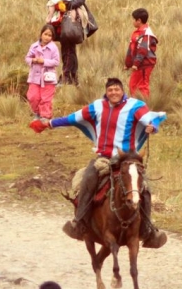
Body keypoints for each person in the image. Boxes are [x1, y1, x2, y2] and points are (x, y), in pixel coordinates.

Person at [29, 77, 167, 249]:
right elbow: (73, 118)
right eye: (110, 90)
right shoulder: (97, 106)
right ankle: (79, 223)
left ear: (122, 90)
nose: (114, 93)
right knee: (87, 179)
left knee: (144, 189)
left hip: (126, 160)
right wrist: (48, 124)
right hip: (104, 159)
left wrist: (152, 127)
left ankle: (148, 230)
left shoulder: (135, 106)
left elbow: (150, 119)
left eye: (117, 89)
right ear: (106, 92)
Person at [40, 0, 97, 86]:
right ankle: (71, 78)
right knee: (67, 49)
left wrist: (66, 6)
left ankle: (67, 78)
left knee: (69, 49)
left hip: (70, 20)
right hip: (62, 21)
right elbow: (57, 1)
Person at [26, 24, 60, 120]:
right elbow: (27, 58)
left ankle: (45, 116)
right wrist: (33, 60)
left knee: (46, 98)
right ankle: (37, 113)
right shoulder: (34, 46)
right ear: (41, 34)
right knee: (33, 96)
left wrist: (44, 61)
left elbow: (56, 62)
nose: (47, 37)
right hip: (34, 77)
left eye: (50, 35)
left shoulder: (53, 48)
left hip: (48, 77)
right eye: (45, 34)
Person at [124, 8, 158, 98]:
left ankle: (144, 107)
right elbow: (131, 49)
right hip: (139, 65)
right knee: (133, 85)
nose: (132, 21)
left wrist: (136, 63)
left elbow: (143, 49)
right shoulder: (136, 33)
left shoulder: (146, 33)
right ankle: (136, 106)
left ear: (139, 20)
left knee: (142, 86)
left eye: (133, 19)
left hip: (145, 64)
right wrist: (128, 64)